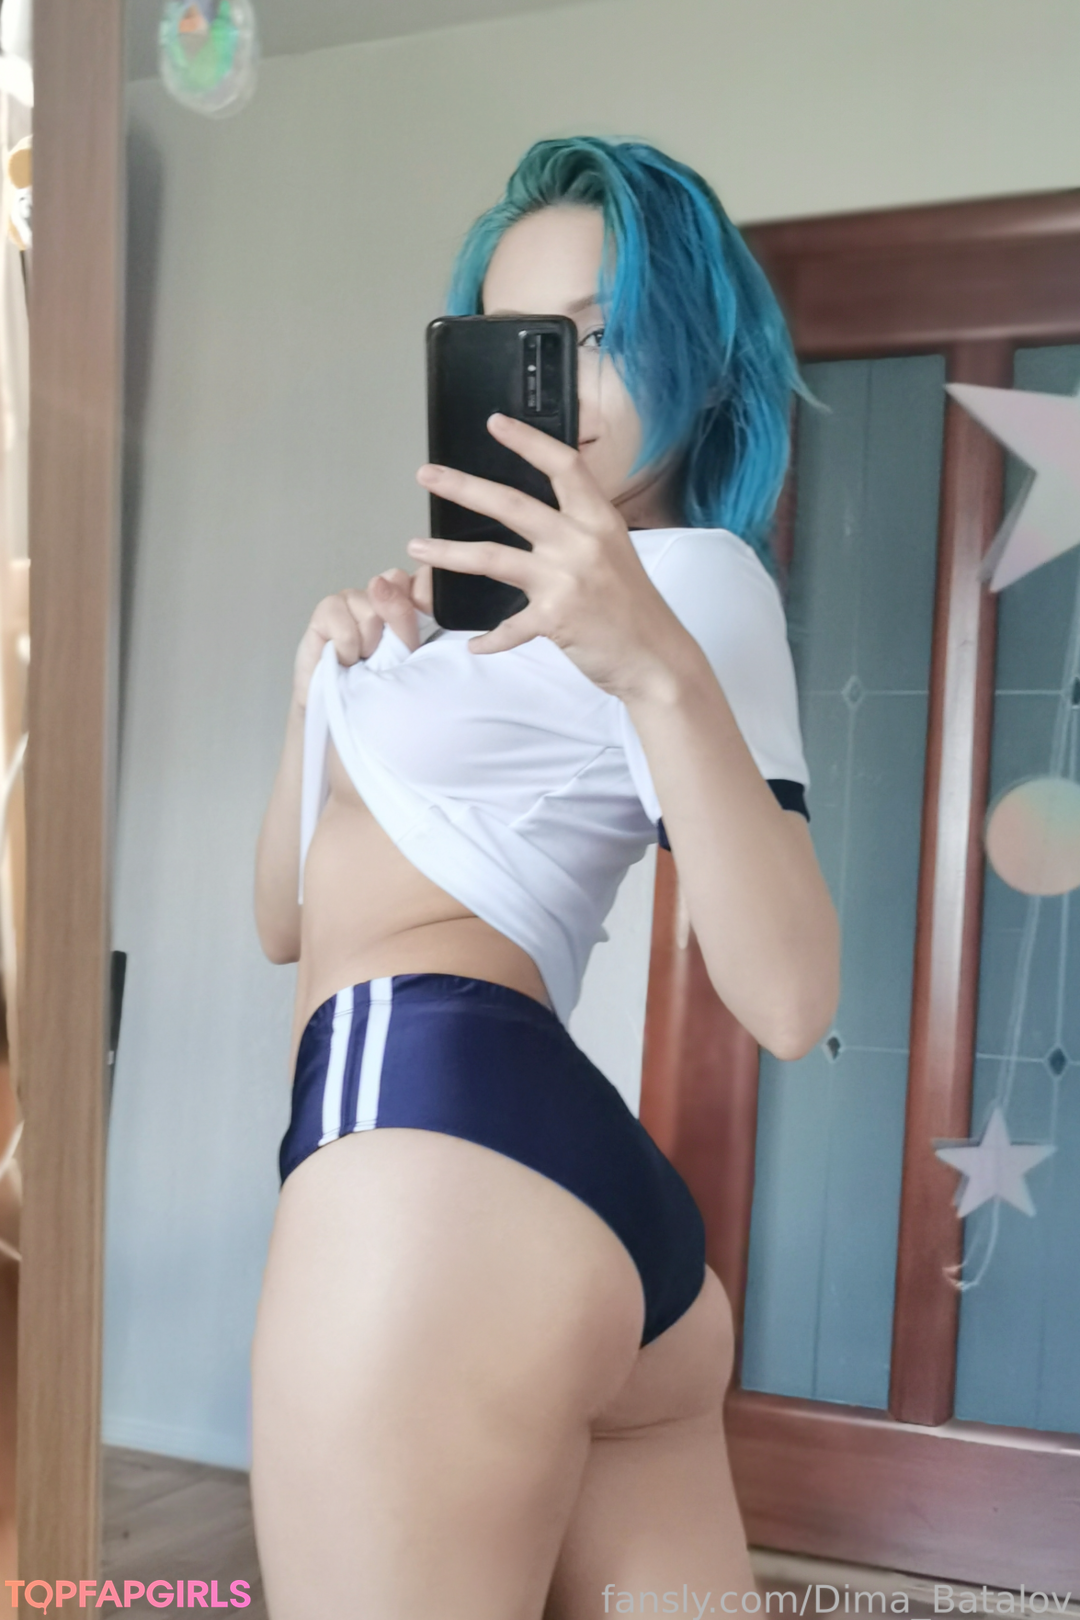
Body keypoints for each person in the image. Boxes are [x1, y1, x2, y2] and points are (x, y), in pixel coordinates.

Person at [249, 135, 840, 1620]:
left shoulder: (691, 582)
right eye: (523, 344)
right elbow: (281, 924)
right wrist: (317, 690)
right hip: (543, 1187)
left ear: (700, 353)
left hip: (430, 1147)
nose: (561, 387)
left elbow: (789, 999)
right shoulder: (451, 620)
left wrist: (650, 659)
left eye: (602, 334)